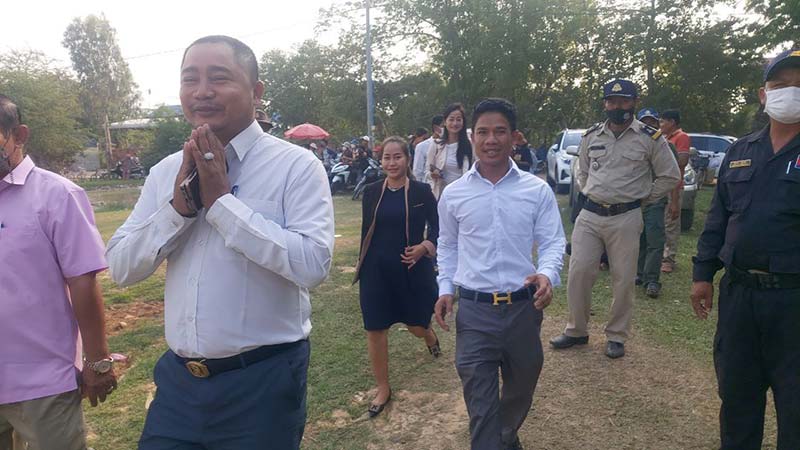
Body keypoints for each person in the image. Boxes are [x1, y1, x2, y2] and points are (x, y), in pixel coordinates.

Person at [105, 35, 335, 450]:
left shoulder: (296, 166)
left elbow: (313, 264)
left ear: (256, 92)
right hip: (178, 385)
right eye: (190, 79)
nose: (202, 91)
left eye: (219, 77)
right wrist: (178, 209)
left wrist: (222, 205)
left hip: (261, 383)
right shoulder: (165, 172)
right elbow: (121, 267)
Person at [434, 98, 566, 450]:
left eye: (499, 131)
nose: (490, 139)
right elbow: (447, 245)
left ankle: (504, 437)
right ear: (472, 137)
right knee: (481, 405)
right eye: (483, 132)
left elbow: (553, 241)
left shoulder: (536, 190)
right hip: (475, 312)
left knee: (522, 386)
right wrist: (445, 288)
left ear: (514, 136)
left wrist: (547, 274)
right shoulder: (454, 194)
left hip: (524, 310)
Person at [691, 48, 800, 450]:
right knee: (737, 399)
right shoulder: (741, 151)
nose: (791, 92)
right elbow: (718, 218)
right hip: (739, 297)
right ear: (763, 94)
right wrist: (703, 274)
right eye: (781, 84)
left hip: (793, 302)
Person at [0, 95, 117, 450]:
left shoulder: (57, 195)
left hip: (43, 381)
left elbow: (83, 282)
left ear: (18, 135)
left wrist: (98, 361)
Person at [550, 79, 680, 359]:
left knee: (623, 279)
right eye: (611, 101)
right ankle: (576, 330)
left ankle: (616, 335)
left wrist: (642, 198)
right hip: (589, 214)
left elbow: (670, 175)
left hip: (626, 216)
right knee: (579, 272)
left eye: (623, 101)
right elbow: (581, 170)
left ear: (634, 103)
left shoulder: (650, 138)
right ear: (605, 103)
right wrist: (589, 189)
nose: (617, 106)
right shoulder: (592, 135)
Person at [354, 136, 440, 418]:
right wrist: (362, 264)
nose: (391, 163)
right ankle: (383, 388)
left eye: (397, 157)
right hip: (376, 271)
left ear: (407, 159)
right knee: (375, 328)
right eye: (386, 157)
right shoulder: (372, 192)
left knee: (415, 325)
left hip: (410, 270)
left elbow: (438, 228)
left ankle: (428, 335)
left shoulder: (421, 192)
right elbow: (367, 230)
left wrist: (425, 247)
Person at [635, 108, 669, 298]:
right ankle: (640, 274)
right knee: (639, 239)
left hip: (654, 200)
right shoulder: (633, 144)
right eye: (644, 121)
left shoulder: (664, 145)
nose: (648, 125)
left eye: (652, 122)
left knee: (655, 240)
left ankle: (652, 281)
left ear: (657, 124)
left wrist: (674, 202)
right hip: (635, 201)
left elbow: (672, 178)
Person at [658, 109, 691, 274]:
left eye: (662, 121)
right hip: (661, 187)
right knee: (660, 223)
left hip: (674, 186)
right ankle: (659, 256)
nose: (660, 125)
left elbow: (682, 161)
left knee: (671, 222)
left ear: (672, 122)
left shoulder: (681, 137)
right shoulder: (663, 137)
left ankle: (668, 259)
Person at [426, 103, 473, 199]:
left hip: (463, 196)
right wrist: (433, 174)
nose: (455, 123)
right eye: (451, 119)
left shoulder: (470, 145)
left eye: (458, 120)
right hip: (441, 196)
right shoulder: (436, 145)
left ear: (463, 122)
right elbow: (427, 171)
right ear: (445, 122)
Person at [413, 115, 444, 182]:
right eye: (443, 126)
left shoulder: (449, 145)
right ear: (435, 128)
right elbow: (417, 171)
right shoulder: (422, 146)